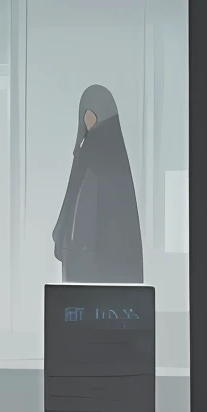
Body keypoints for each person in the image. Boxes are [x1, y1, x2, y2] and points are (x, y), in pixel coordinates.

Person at [52, 83, 145, 284]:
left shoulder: (92, 148)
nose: (86, 119)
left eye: (89, 112)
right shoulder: (114, 148)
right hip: (100, 252)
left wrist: (61, 230)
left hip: (85, 251)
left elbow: (73, 196)